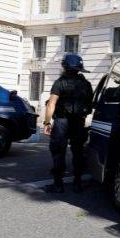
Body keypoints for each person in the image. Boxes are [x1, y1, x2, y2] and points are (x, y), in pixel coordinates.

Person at [42, 53, 94, 194]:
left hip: (61, 122)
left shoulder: (60, 82)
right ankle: (77, 184)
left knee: (59, 151)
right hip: (78, 122)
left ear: (65, 66)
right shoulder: (86, 84)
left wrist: (47, 122)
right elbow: (90, 105)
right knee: (78, 152)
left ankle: (58, 185)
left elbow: (51, 103)